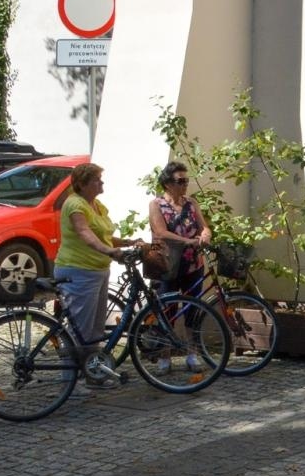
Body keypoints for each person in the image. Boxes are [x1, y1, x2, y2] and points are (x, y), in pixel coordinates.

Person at [53, 162, 137, 390]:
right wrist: (109, 251)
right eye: (97, 180)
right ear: (82, 183)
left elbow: (103, 235)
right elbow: (84, 233)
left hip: (98, 271)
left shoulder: (97, 205)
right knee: (79, 328)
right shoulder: (75, 204)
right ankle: (70, 380)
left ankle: (92, 374)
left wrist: (125, 243)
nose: (102, 183)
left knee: (95, 329)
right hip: (77, 271)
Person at [148, 160, 212, 302]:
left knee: (193, 309)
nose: (185, 184)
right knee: (167, 311)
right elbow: (160, 233)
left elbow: (204, 227)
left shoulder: (191, 203)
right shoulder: (156, 204)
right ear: (167, 184)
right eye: (181, 181)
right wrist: (189, 241)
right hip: (166, 264)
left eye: (187, 180)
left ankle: (191, 325)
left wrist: (206, 234)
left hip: (193, 264)